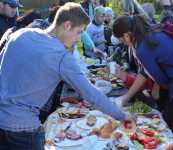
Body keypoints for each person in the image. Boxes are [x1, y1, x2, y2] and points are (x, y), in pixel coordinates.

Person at [0, 3, 135, 150]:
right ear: (67, 25)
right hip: (23, 130)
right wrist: (122, 116)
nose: (78, 39)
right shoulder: (61, 55)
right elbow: (91, 94)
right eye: (79, 32)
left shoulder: (21, 34)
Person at [112, 15, 173, 136]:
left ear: (127, 35)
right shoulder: (151, 33)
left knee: (172, 125)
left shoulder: (142, 48)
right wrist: (126, 97)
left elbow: (160, 79)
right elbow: (145, 72)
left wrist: (157, 88)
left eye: (121, 39)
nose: (123, 43)